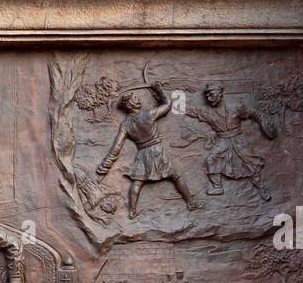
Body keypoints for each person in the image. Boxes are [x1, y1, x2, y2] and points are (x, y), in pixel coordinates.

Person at [97, 82, 200, 219]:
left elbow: (116, 147)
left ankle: (132, 212)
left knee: (137, 183)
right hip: (156, 151)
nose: (137, 99)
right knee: (176, 176)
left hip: (142, 154)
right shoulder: (148, 114)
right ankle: (191, 203)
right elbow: (167, 105)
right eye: (134, 98)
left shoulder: (125, 125)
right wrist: (159, 91)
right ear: (130, 105)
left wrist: (106, 165)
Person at [187, 82, 278, 200]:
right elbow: (190, 110)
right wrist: (170, 101)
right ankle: (217, 187)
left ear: (220, 93)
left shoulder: (236, 107)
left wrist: (264, 122)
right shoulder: (207, 112)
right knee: (210, 160)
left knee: (249, 164)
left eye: (211, 93)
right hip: (223, 141)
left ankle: (261, 188)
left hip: (238, 140)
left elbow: (254, 113)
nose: (209, 98)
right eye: (207, 95)